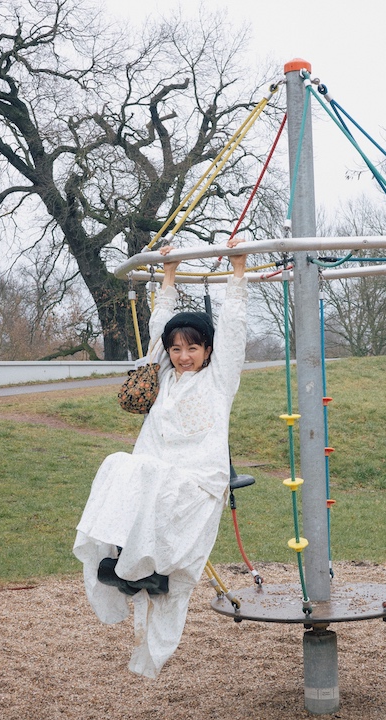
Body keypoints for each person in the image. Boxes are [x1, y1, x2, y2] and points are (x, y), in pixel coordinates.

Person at [73, 245, 248, 679]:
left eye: (192, 348)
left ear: (207, 349)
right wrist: (167, 276)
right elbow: (155, 330)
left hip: (197, 479)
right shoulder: (164, 376)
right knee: (117, 463)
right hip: (154, 470)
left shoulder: (219, 379)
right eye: (176, 349)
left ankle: (142, 570)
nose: (183, 355)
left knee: (149, 478)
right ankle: (125, 563)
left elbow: (235, 331)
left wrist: (238, 273)